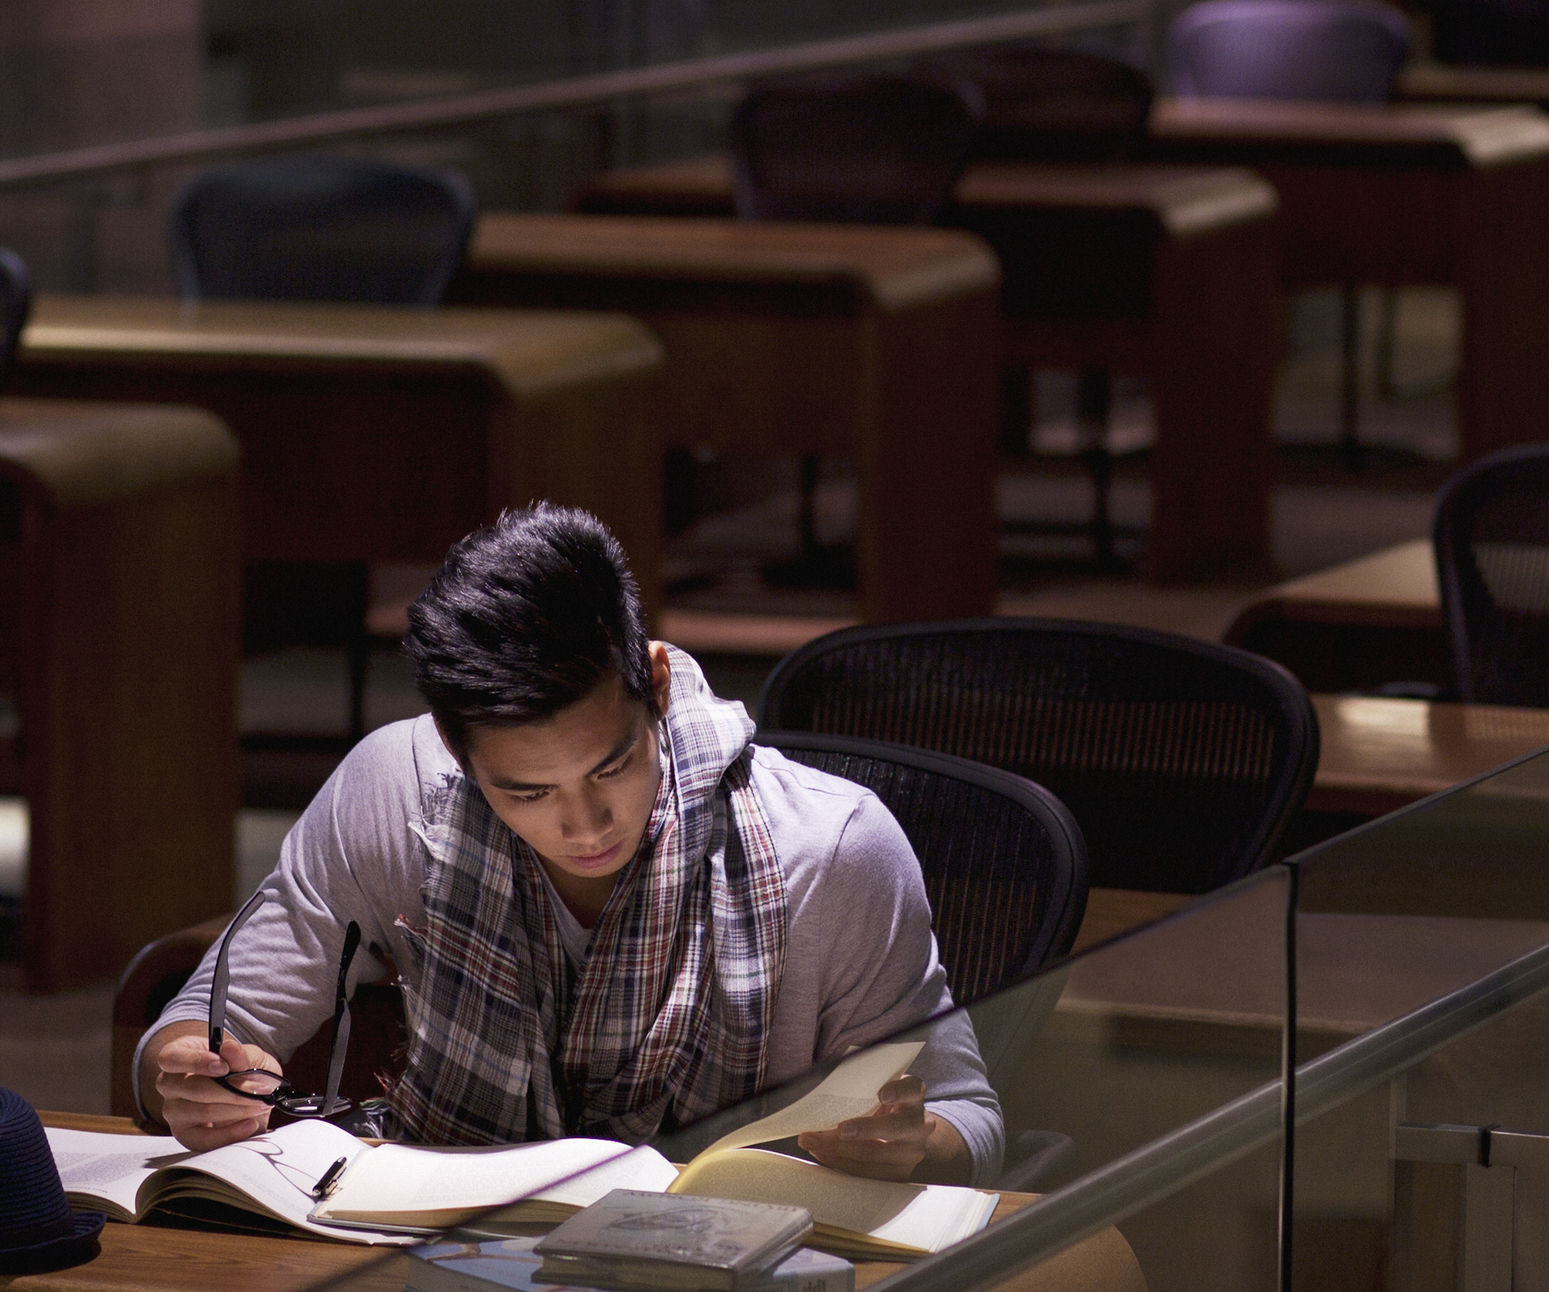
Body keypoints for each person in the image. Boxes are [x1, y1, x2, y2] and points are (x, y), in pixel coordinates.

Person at [138, 502, 1001, 1180]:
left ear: (656, 683)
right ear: (452, 745)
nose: (585, 826)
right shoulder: (395, 791)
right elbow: (199, 1028)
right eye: (527, 792)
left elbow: (970, 1116)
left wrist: (916, 1140)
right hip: (438, 1261)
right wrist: (187, 1077)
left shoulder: (833, 848)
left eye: (612, 766)